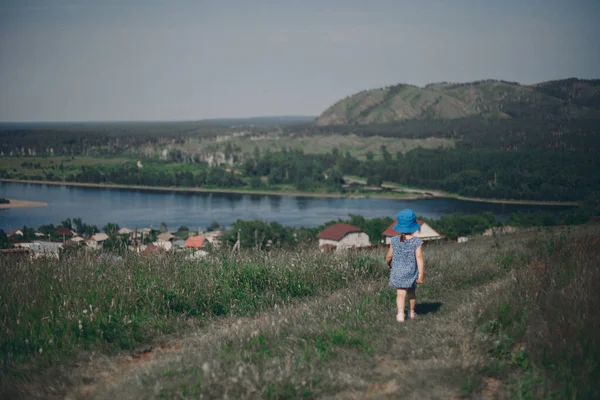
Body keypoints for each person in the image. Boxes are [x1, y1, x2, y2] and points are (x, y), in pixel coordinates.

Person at [385, 209, 425, 323]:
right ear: (413, 227)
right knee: (411, 292)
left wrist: (388, 264)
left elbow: (389, 256)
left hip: (397, 271)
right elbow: (419, 258)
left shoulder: (394, 240)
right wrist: (421, 274)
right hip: (411, 272)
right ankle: (411, 313)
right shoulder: (417, 242)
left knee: (400, 293)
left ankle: (400, 315)